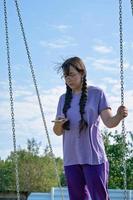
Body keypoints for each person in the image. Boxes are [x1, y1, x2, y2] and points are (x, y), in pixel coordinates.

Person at [53, 56, 128, 200]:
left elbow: (109, 122)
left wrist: (119, 116)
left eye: (72, 75)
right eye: (65, 76)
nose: (68, 79)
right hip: (71, 159)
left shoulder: (97, 93)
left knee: (99, 197)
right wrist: (58, 124)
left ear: (82, 73)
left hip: (94, 157)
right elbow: (57, 132)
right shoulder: (63, 99)